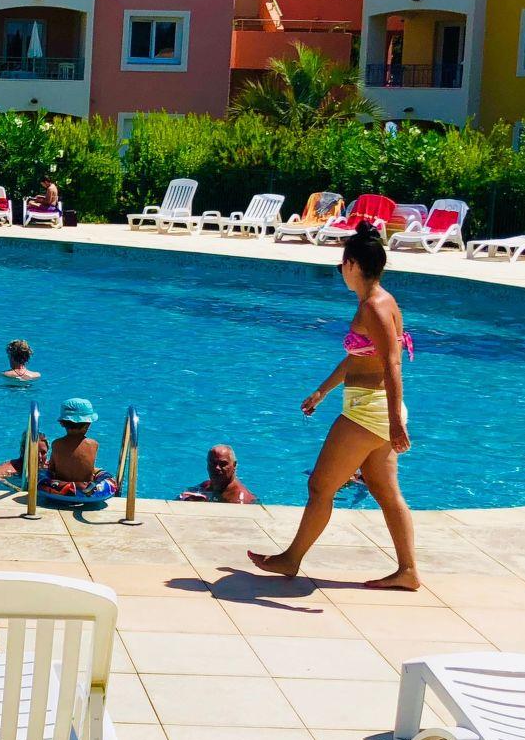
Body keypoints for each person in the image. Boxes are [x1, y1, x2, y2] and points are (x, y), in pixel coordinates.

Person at [249, 222, 418, 589]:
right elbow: (359, 358)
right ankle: (407, 572)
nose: (341, 270)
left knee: (320, 486)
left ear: (353, 265)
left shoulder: (374, 306)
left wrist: (395, 420)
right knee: (385, 491)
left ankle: (291, 559)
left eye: (343, 263)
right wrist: (321, 392)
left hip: (369, 412)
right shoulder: (379, 302)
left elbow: (392, 363)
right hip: (374, 410)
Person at [0, 398, 113, 497]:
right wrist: (17, 488)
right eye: (33, 452)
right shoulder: (11, 468)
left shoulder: (53, 455)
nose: (39, 457)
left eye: (43, 452)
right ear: (23, 450)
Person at [178, 444, 258, 504]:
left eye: (223, 464)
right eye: (213, 463)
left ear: (234, 465)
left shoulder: (239, 499)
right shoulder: (207, 485)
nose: (217, 468)